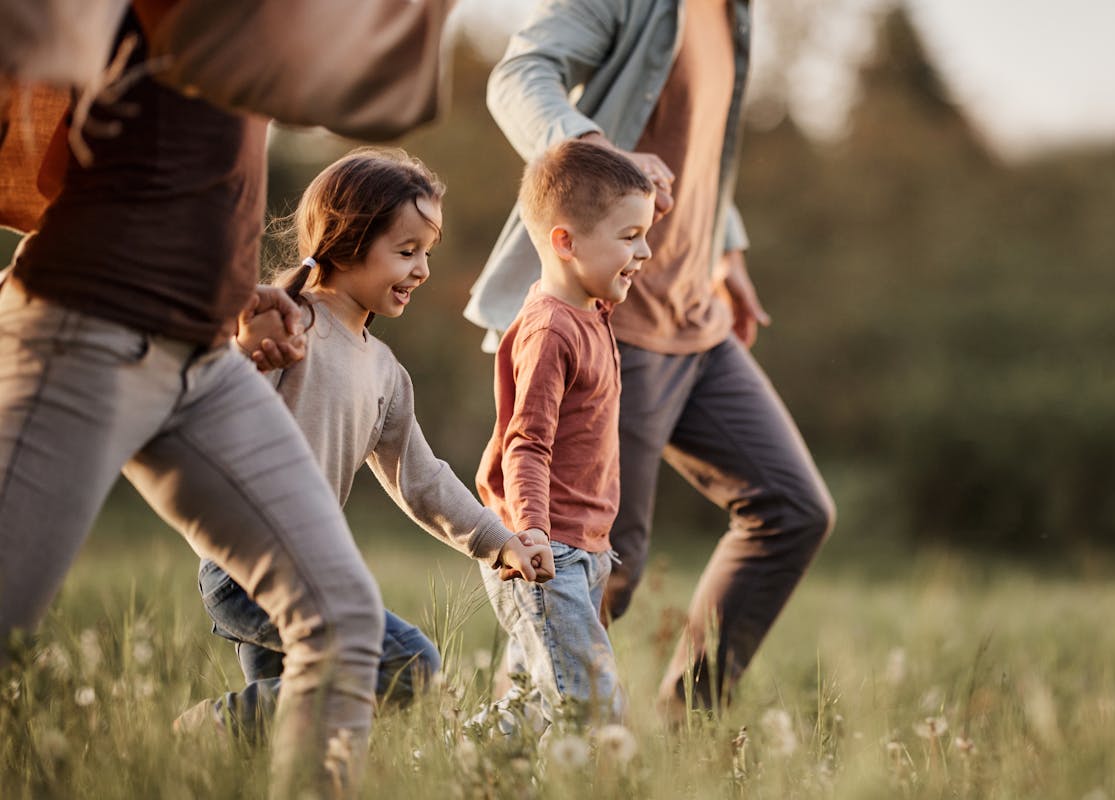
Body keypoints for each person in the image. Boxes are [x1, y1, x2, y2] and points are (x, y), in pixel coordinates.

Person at [0, 10, 377, 797]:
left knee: (341, 622)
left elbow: (184, 165)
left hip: (202, 360)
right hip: (85, 332)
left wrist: (237, 290)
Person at [464, 0, 837, 716]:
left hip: (698, 316)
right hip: (612, 328)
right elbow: (518, 73)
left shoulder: (735, 15)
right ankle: (515, 756)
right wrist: (598, 152)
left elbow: (700, 148)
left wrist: (725, 251)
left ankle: (686, 726)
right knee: (599, 568)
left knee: (792, 509)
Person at [180, 149, 555, 736]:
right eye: (407, 252)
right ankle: (208, 729)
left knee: (295, 736)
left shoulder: (385, 373)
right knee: (407, 665)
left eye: (426, 253)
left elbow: (422, 479)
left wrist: (499, 542)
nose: (423, 270)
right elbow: (216, 410)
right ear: (348, 242)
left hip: (306, 564)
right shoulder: (288, 324)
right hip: (248, 564)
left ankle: (224, 742)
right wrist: (245, 345)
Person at [474, 139, 655, 731]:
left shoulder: (591, 310)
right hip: (549, 553)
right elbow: (527, 442)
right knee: (593, 711)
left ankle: (454, 768)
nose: (645, 251)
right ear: (565, 242)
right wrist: (531, 533)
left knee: (533, 704)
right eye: (630, 237)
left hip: (585, 550)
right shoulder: (551, 329)